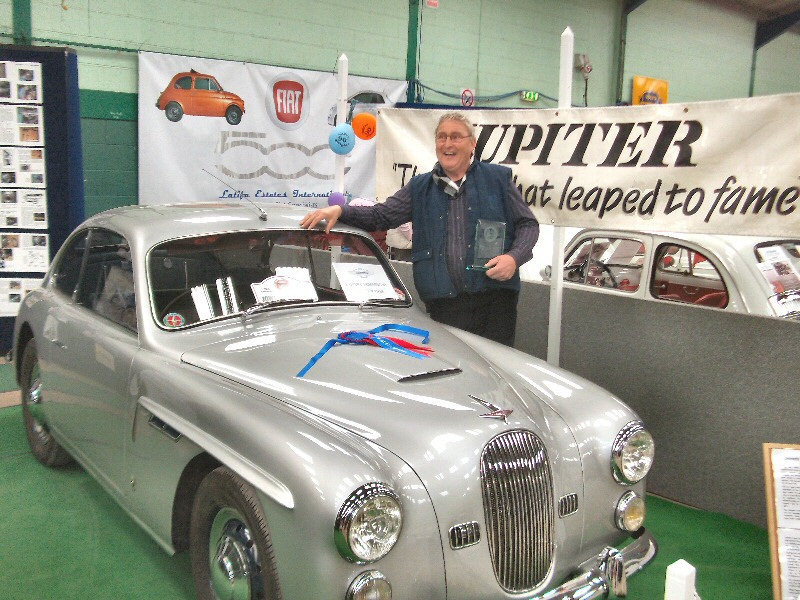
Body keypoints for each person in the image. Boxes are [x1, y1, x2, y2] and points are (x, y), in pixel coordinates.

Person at [300, 111, 539, 346]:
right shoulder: (420, 187)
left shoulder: (497, 179)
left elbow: (528, 224)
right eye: (442, 137)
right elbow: (380, 215)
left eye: (456, 136)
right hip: (445, 305)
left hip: (495, 302)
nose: (448, 143)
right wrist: (342, 211)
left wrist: (513, 258)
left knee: (496, 370)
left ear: (472, 144)